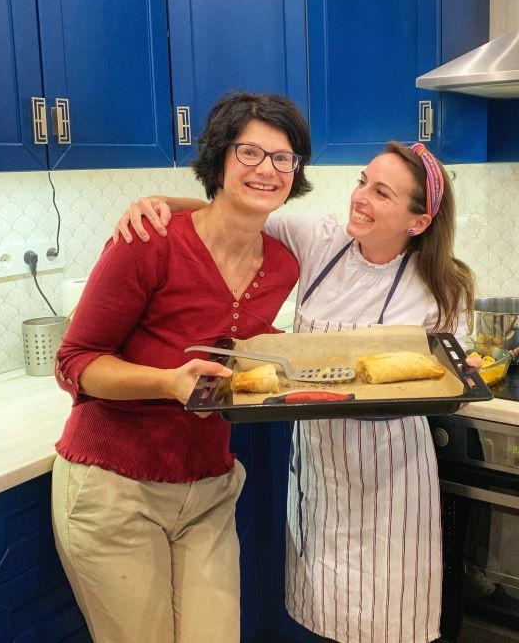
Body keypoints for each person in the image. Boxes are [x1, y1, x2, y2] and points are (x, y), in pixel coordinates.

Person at [113, 142, 477, 643]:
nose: (360, 198)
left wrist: (462, 374)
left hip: (393, 473)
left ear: (418, 221)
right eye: (362, 181)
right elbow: (231, 214)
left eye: (381, 193)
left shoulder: (444, 287)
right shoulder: (320, 240)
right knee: (320, 617)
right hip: (319, 467)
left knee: (391, 621)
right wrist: (156, 202)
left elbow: (449, 385)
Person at [51, 91, 312, 643]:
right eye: (249, 153)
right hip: (115, 487)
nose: (267, 169)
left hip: (210, 486)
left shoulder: (282, 265)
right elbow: (75, 361)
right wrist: (168, 383)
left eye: (283, 157)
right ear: (219, 157)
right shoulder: (149, 242)